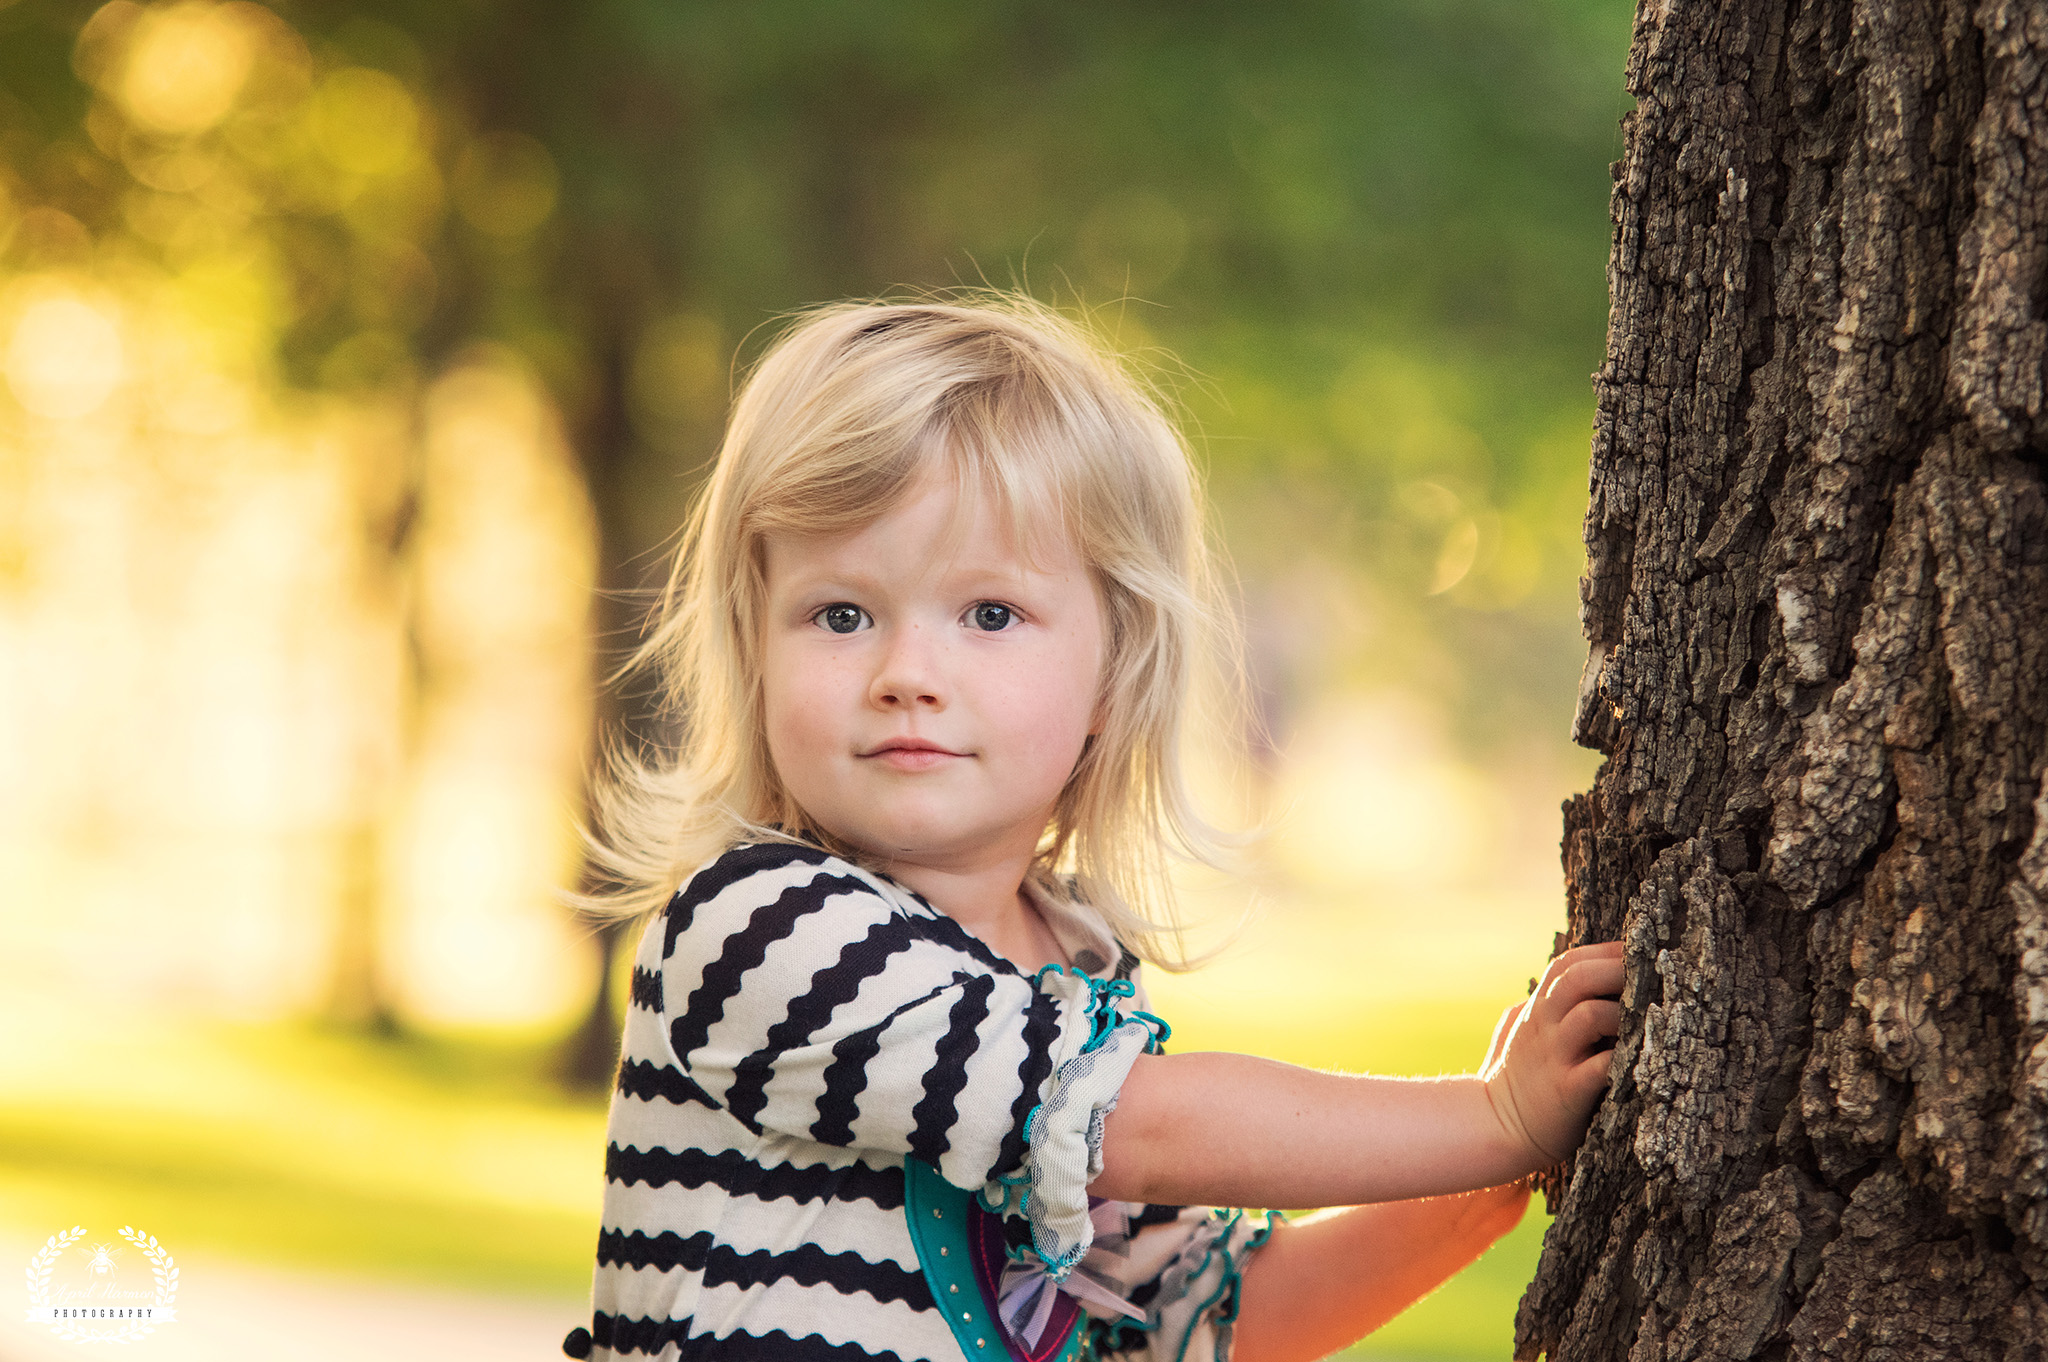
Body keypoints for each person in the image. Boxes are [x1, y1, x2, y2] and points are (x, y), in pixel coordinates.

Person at [563, 296, 1624, 1362]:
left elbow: (1205, 1327)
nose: (905, 677)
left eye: (988, 615)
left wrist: (1489, 1170)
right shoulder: (760, 927)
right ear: (754, 651)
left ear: (1114, 674)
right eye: (840, 615)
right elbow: (1142, 1131)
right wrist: (1485, 1115)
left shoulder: (1077, 966)